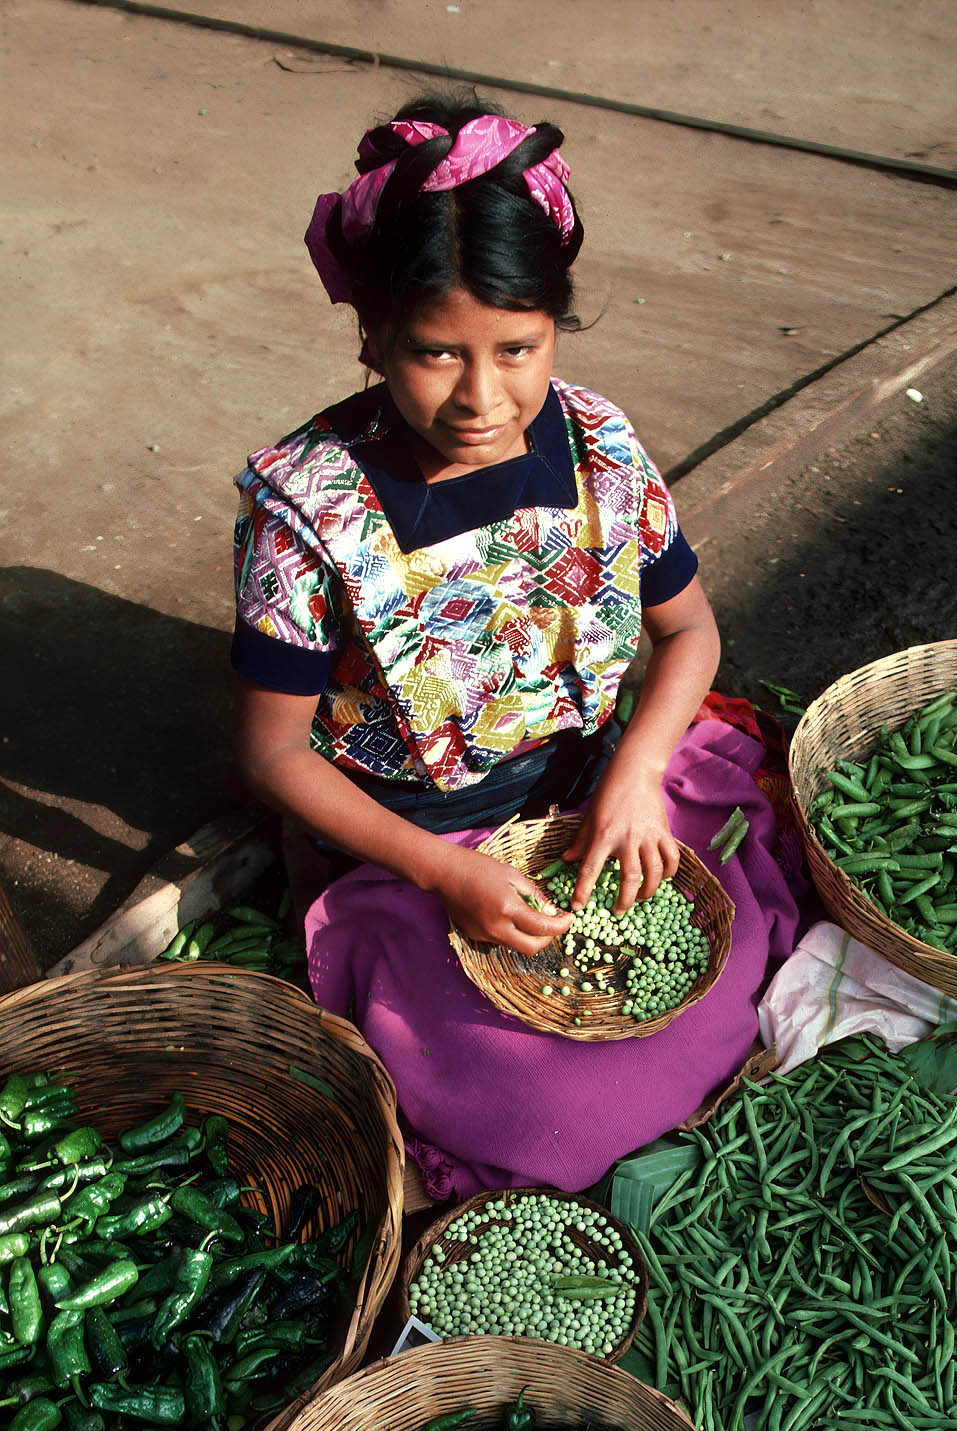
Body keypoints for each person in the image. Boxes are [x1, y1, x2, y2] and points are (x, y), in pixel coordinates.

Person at [231, 93, 806, 1201]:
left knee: (727, 926)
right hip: (415, 844)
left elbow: (688, 631)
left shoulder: (595, 444)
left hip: (589, 793)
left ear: (556, 325)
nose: (481, 396)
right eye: (433, 352)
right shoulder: (309, 512)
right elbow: (273, 758)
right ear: (372, 337)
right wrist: (448, 873)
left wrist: (636, 778)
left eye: (518, 347)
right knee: (555, 1109)